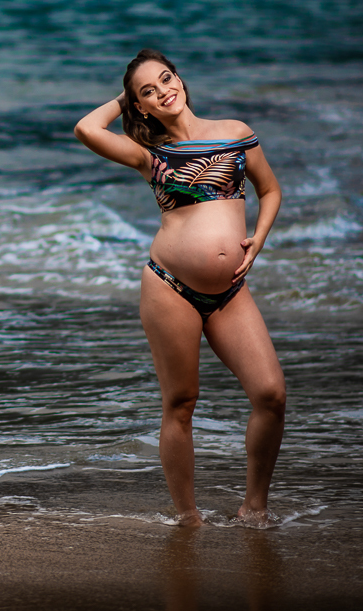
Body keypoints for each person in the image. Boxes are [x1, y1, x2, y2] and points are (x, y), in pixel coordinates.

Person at [74, 49, 286, 527]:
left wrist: (258, 239)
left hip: (231, 291)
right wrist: (125, 98)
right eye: (148, 91)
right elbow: (86, 129)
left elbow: (270, 190)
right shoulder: (148, 154)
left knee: (271, 394)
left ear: (181, 80)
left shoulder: (235, 132)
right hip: (170, 287)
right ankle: (188, 518)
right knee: (181, 402)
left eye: (166, 79)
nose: (163, 91)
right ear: (140, 106)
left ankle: (254, 507)